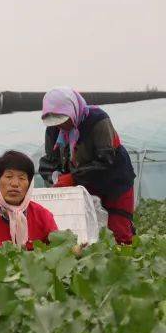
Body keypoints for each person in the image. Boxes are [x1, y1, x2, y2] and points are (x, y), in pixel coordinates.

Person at [38, 88, 136, 244]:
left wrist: (74, 178)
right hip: (82, 185)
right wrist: (55, 176)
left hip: (114, 181)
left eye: (63, 119)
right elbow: (50, 161)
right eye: (56, 122)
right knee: (84, 231)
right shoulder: (53, 129)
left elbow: (107, 160)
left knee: (119, 231)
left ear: (72, 110)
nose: (61, 125)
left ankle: (123, 263)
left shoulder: (98, 120)